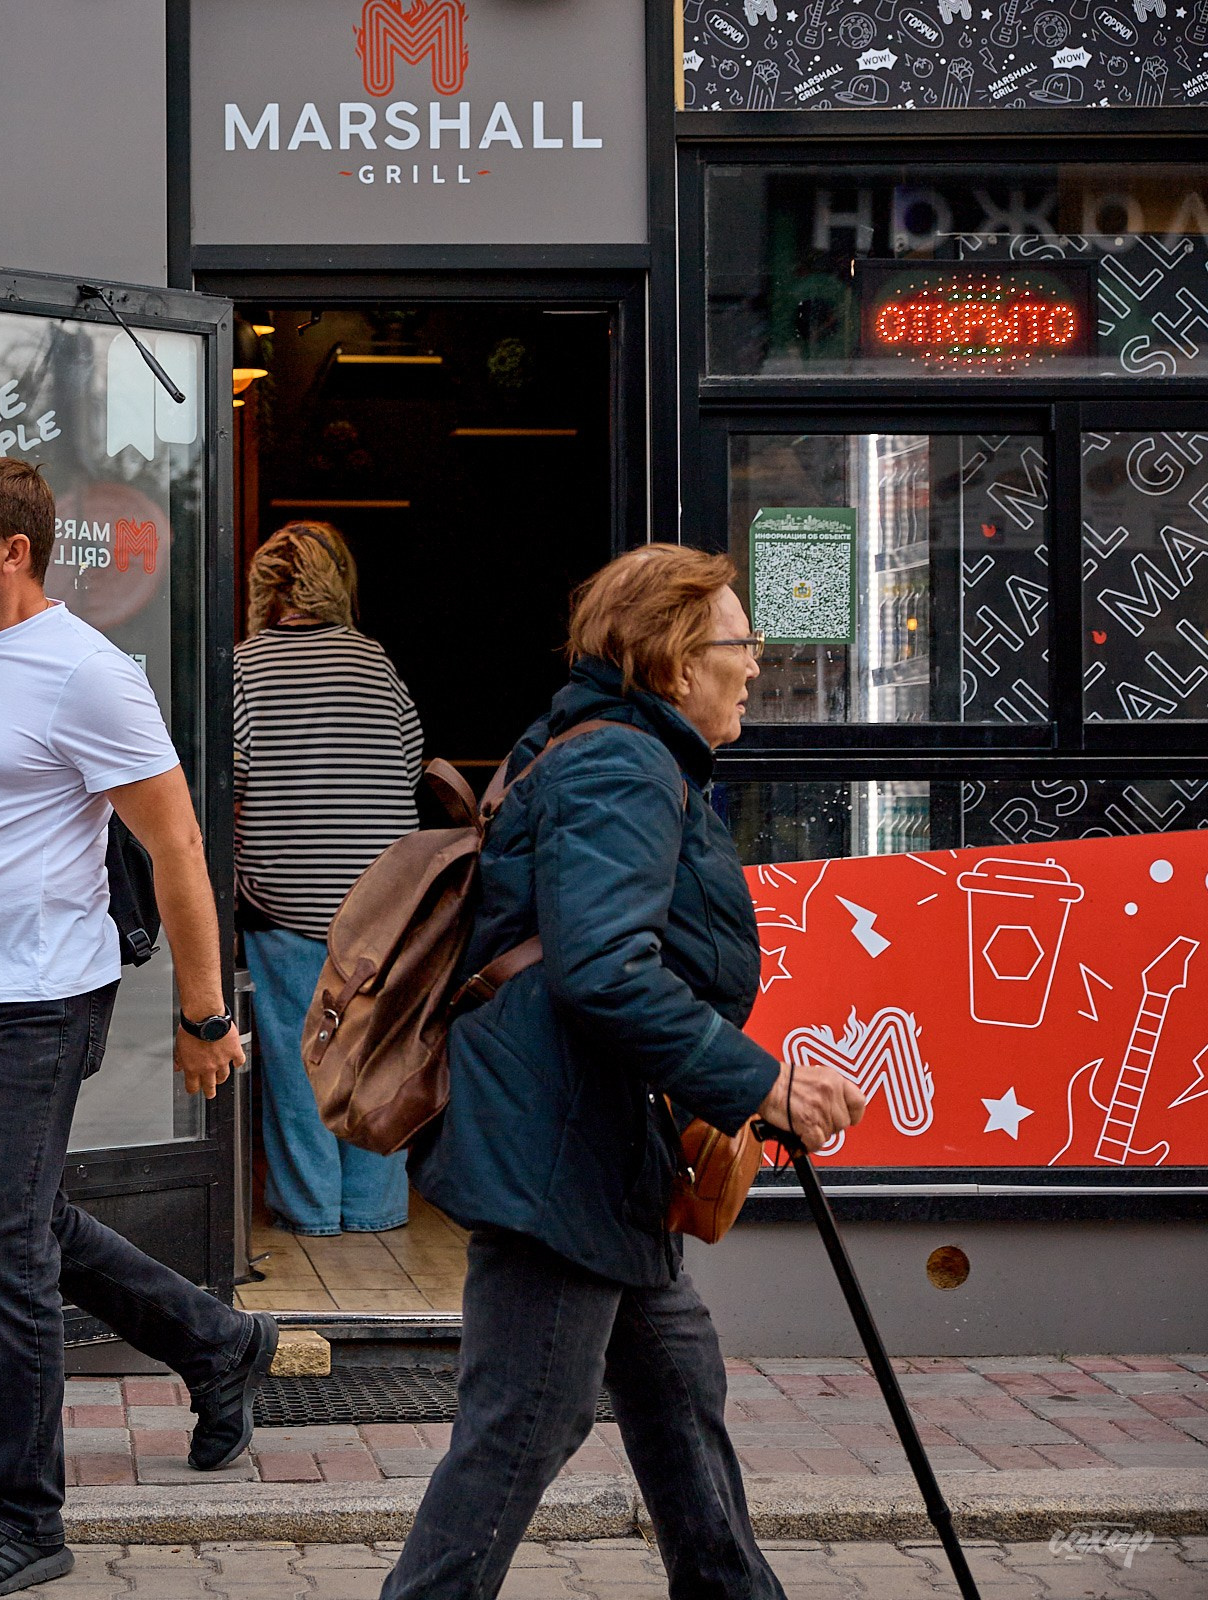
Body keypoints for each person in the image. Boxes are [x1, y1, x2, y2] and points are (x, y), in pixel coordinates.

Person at [383, 545, 868, 1600]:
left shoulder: (616, 752)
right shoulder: (620, 765)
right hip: (561, 1154)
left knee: (676, 1390)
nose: (756, 664)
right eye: (741, 644)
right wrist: (760, 1084)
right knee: (523, 1428)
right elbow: (604, 971)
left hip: (596, 1144)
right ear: (676, 658)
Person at [0, 458, 275, 1599]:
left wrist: (207, 1015)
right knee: (31, 1219)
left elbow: (177, 848)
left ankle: (22, 1516)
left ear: (13, 550)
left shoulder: (87, 674)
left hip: (46, 996)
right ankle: (217, 1344)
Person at [234, 521, 424, 1236]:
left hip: (287, 905)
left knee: (296, 1063)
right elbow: (408, 761)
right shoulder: (376, 663)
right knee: (373, 1057)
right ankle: (374, 1208)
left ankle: (311, 1209)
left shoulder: (246, 669)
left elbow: (232, 779)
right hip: (384, 907)